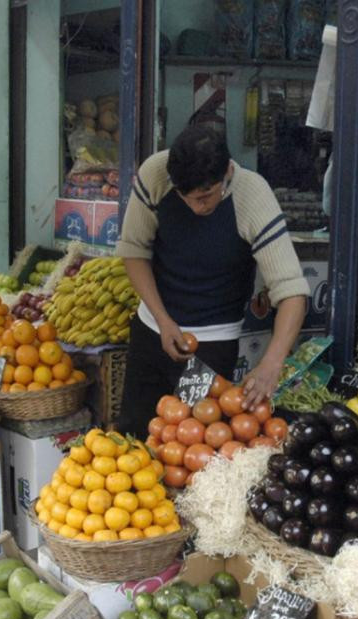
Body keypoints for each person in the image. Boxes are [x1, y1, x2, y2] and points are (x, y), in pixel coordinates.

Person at [115, 125, 310, 439]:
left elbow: (291, 293)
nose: (197, 207)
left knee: (193, 449)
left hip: (213, 345)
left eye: (205, 196)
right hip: (152, 330)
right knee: (134, 437)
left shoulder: (252, 196)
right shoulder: (155, 175)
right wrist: (163, 321)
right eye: (186, 197)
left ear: (228, 171)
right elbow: (134, 251)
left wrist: (272, 363)